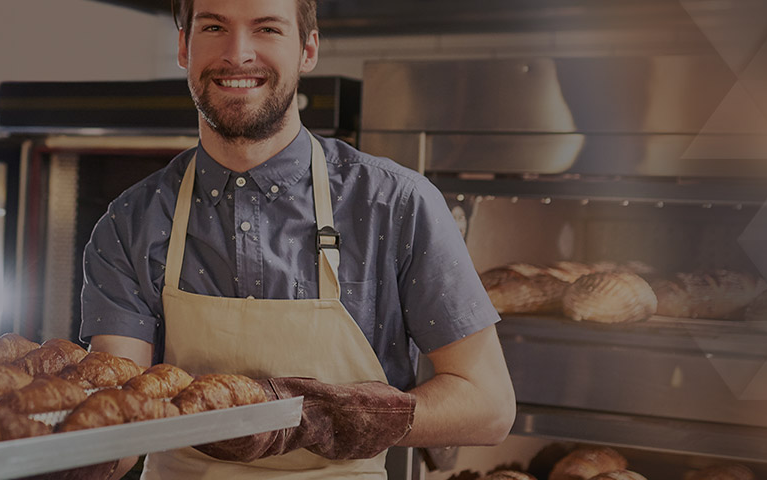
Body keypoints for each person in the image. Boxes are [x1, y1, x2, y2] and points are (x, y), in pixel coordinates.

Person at [74, 0, 516, 478]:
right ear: (184, 47)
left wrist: (338, 419)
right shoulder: (130, 223)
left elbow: (488, 404)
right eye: (214, 27)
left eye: (266, 29)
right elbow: (118, 422)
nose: (238, 53)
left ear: (308, 49)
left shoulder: (396, 205)